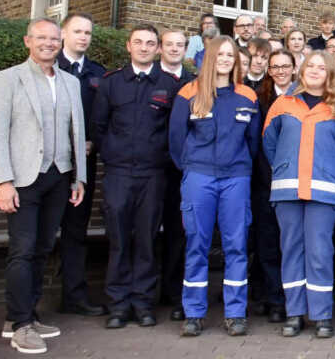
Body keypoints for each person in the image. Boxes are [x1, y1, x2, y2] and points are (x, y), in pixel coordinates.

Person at [0, 18, 87, 355]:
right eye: (41, 38)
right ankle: (19, 326)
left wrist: (79, 178)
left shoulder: (71, 82)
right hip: (23, 179)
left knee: (44, 248)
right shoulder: (8, 79)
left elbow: (78, 133)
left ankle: (25, 313)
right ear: (27, 42)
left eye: (54, 38)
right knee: (23, 249)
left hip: (59, 177)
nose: (49, 43)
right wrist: (3, 181)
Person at [168, 37, 260, 337]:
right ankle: (193, 312)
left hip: (236, 177)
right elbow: (176, 140)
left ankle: (235, 313)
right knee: (197, 244)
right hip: (199, 177)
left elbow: (253, 141)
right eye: (219, 54)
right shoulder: (189, 93)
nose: (224, 59)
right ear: (208, 57)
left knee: (236, 246)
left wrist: (239, 167)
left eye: (230, 55)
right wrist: (194, 168)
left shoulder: (247, 95)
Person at [92, 23, 182, 329]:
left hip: (154, 175)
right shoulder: (111, 84)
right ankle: (118, 304)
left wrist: (160, 158)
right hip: (118, 174)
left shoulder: (169, 85)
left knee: (145, 240)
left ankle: (143, 303)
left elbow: (175, 131)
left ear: (157, 49)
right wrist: (115, 155)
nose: (144, 47)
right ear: (129, 46)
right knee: (118, 240)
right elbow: (99, 127)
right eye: (138, 42)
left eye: (150, 43)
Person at [263, 51, 335, 338]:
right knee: (291, 249)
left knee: (320, 251)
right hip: (288, 189)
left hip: (323, 191)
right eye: (310, 66)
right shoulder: (282, 104)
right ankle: (294, 313)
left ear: (330, 75)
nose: (315, 71)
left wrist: (326, 170)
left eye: (321, 67)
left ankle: (321, 314)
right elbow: (269, 144)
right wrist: (285, 167)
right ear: (301, 72)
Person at [56, 13, 107, 317]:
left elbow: (102, 117)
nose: (83, 37)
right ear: (64, 33)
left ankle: (73, 297)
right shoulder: (50, 69)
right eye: (77, 31)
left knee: (76, 232)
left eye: (87, 32)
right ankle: (25, 307)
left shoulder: (97, 74)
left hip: (82, 167)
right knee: (37, 236)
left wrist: (94, 142)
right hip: (47, 165)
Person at [250, 50, 295, 324]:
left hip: (292, 182)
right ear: (268, 70)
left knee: (289, 244)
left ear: (293, 68)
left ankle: (290, 298)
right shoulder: (259, 98)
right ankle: (272, 297)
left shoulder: (301, 97)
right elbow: (256, 142)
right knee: (267, 243)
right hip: (264, 182)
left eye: (285, 66)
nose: (280, 71)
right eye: (275, 67)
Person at [156, 29, 194, 321]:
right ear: (160, 48)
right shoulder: (149, 78)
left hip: (182, 169)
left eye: (179, 45)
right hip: (153, 166)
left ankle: (173, 290)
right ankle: (147, 291)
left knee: (179, 232)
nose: (174, 49)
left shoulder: (194, 82)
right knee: (145, 231)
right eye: (169, 44)